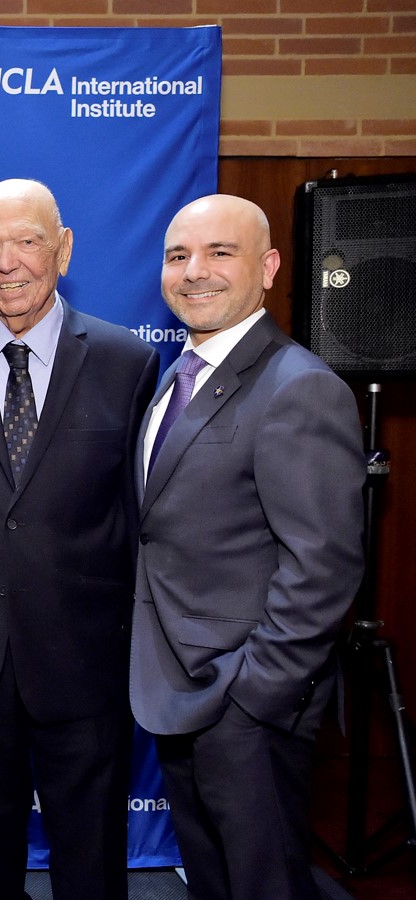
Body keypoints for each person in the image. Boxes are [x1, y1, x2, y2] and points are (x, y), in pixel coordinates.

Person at [0, 178, 159, 900]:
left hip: (87, 665)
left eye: (26, 240)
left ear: (62, 248)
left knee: (91, 866)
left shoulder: (129, 363)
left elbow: (142, 521)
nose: (7, 262)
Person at [131, 194, 365, 900]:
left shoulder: (300, 388)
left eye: (218, 253)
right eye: (178, 256)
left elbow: (322, 565)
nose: (194, 272)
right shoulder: (176, 376)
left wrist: (254, 697)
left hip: (244, 707)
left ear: (267, 267)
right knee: (215, 883)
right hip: (177, 693)